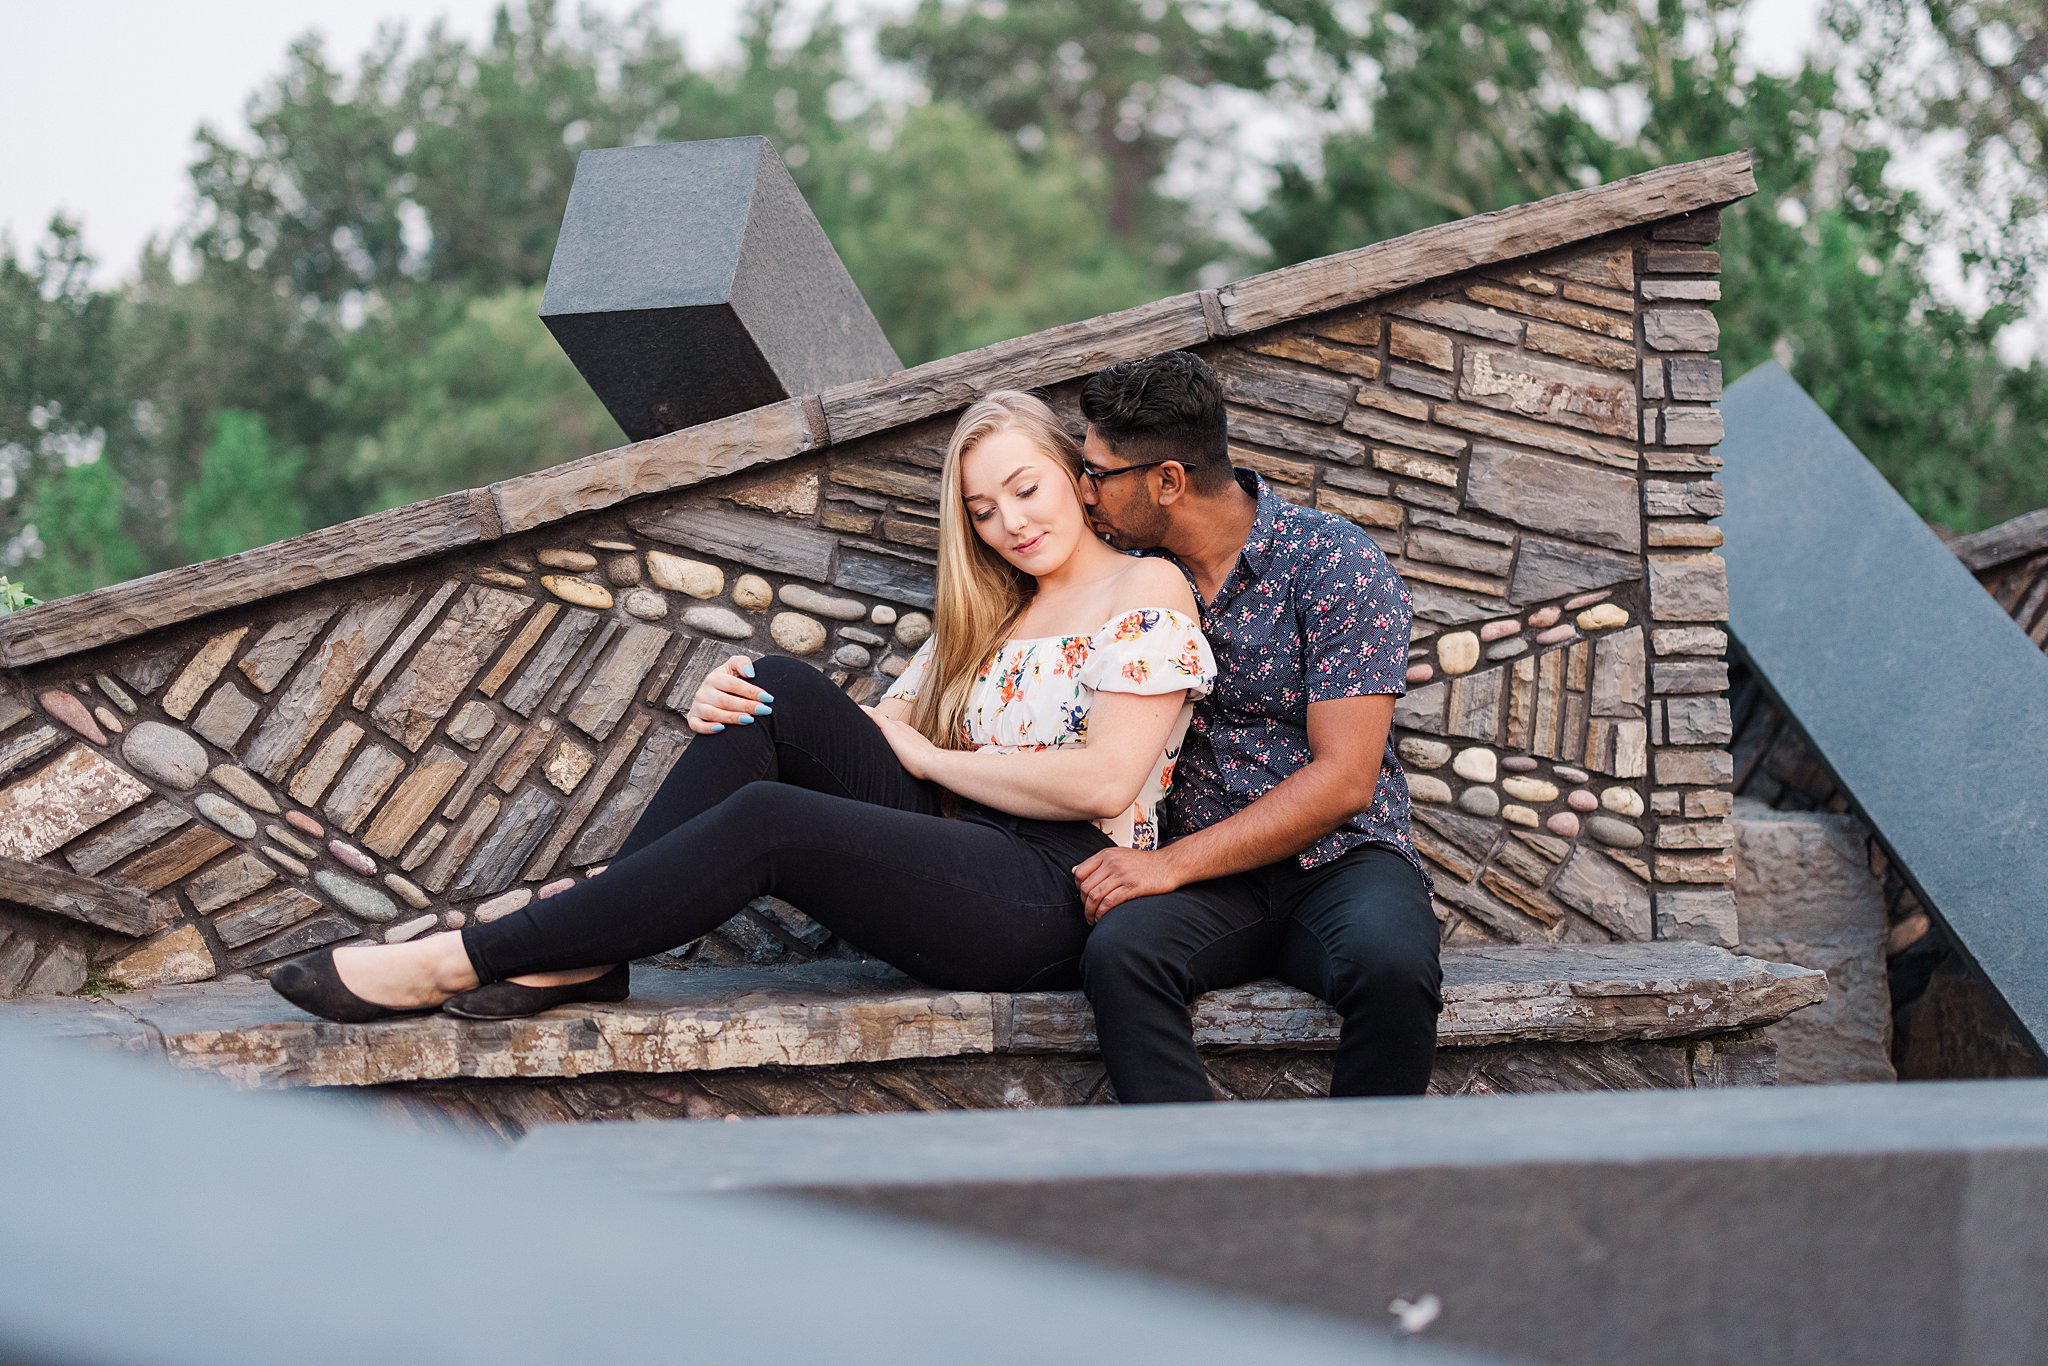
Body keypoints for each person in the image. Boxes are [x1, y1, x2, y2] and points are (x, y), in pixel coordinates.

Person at [268, 391, 1215, 1023]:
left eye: (1025, 488)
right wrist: (750, 700)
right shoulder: (992, 613)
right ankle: (585, 952)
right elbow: (869, 740)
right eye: (982, 508)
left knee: (772, 822)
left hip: (1053, 895)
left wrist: (932, 763)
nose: (1011, 521)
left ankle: (459, 958)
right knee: (773, 686)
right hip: (964, 842)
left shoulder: (1148, 590)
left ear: (1075, 480)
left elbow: (1105, 779)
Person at [1067, 350, 1442, 1103]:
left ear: (1167, 481)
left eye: (1098, 474)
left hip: (1341, 862)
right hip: (1214, 886)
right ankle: (1211, 1192)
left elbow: (1344, 782)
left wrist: (1167, 867)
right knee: (1120, 955)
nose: (1082, 493)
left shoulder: (1333, 563)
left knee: (1394, 967)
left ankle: (1362, 1199)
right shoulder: (1122, 575)